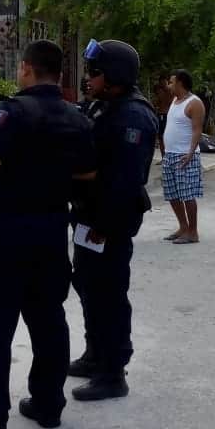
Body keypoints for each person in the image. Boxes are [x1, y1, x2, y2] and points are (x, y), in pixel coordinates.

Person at [0, 41, 96, 429]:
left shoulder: (11, 111)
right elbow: (87, 173)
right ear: (60, 75)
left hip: (7, 234)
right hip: (51, 233)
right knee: (49, 322)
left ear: (27, 69)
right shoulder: (76, 118)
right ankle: (49, 405)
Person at [68, 39, 158, 402]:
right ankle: (95, 355)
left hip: (109, 223)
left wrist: (103, 224)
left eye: (95, 72)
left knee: (109, 295)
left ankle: (113, 371)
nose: (89, 78)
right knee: (88, 288)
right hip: (89, 219)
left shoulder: (132, 117)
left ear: (115, 75)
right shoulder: (105, 107)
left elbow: (124, 181)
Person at [161, 70, 206, 245]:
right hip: (170, 155)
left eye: (171, 82)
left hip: (185, 155)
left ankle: (193, 232)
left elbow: (197, 130)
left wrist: (190, 152)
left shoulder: (195, 103)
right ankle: (183, 227)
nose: (169, 85)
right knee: (172, 194)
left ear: (180, 82)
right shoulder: (174, 100)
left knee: (187, 195)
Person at [152, 73, 173, 163]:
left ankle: (168, 157)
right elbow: (156, 102)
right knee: (161, 137)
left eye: (164, 81)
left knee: (167, 137)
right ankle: (164, 157)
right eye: (161, 82)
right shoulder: (160, 91)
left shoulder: (171, 90)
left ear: (166, 81)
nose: (163, 83)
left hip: (168, 115)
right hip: (161, 115)